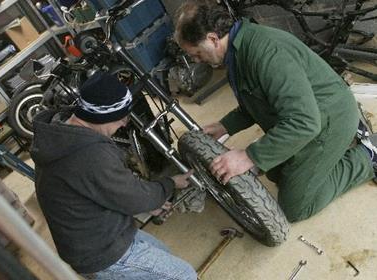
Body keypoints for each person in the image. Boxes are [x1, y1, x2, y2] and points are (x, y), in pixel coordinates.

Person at [174, 0, 377, 222]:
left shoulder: (266, 54)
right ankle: (331, 154)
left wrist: (249, 155)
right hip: (309, 114)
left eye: (195, 54)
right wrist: (225, 126)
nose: (195, 61)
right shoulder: (238, 48)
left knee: (295, 206)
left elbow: (305, 122)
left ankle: (367, 155)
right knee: (277, 173)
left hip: (328, 119)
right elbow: (257, 99)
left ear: (212, 39)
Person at [30, 72, 197, 280]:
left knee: (163, 252)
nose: (125, 124)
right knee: (184, 275)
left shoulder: (62, 132)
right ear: (102, 117)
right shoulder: (89, 154)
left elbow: (111, 191)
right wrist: (169, 184)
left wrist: (145, 203)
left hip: (94, 236)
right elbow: (133, 197)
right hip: (101, 253)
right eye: (121, 118)